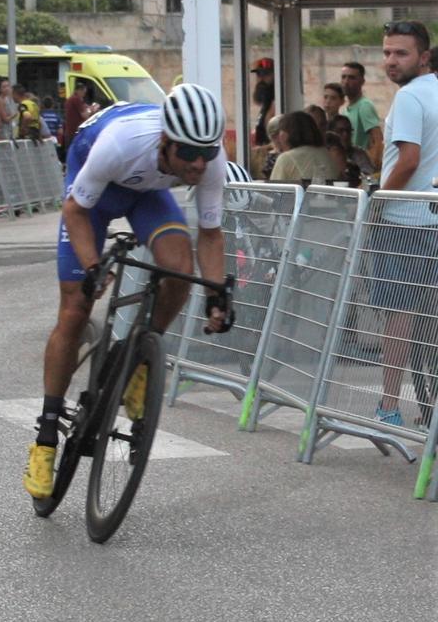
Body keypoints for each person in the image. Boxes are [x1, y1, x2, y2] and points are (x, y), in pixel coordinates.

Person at [25, 84, 234, 499]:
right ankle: (46, 437)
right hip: (95, 191)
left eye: (206, 153)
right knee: (76, 308)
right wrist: (91, 268)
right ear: (164, 141)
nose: (197, 164)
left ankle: (138, 357)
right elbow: (75, 211)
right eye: (188, 153)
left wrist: (217, 294)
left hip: (146, 193)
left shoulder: (209, 160)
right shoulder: (119, 145)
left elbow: (210, 235)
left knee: (180, 269)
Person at [369, 22, 438, 427]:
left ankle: (389, 405)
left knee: (399, 314)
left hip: (404, 221)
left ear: (423, 56)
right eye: (387, 53)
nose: (391, 62)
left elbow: (408, 160)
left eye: (401, 54)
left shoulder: (410, 98)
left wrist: (379, 203)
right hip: (432, 217)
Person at [269, 111, 341, 183]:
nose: (279, 136)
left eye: (281, 131)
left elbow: (273, 191)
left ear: (287, 134)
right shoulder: (326, 153)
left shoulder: (286, 158)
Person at [340, 61, 383, 168]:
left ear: (362, 81)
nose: (346, 81)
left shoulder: (364, 106)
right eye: (343, 77)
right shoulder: (346, 110)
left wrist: (370, 171)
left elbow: (377, 139)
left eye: (351, 78)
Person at [251, 57, 275, 146]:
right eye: (259, 74)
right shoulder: (267, 103)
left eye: (266, 74)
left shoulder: (277, 103)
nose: (261, 79)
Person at [63, 81, 91, 146]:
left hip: (69, 132)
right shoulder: (76, 99)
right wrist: (91, 110)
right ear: (79, 91)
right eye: (84, 92)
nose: (84, 95)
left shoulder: (70, 99)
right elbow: (84, 116)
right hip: (75, 132)